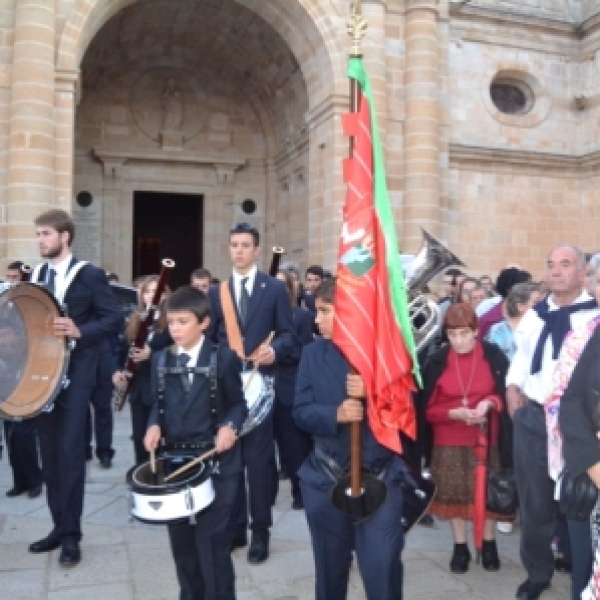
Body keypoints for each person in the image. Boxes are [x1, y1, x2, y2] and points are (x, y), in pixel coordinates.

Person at [293, 278, 407, 600]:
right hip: (325, 481)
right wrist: (335, 414)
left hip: (381, 480)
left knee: (383, 573)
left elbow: (406, 414)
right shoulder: (312, 355)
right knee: (330, 577)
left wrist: (372, 396)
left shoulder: (386, 355)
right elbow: (300, 412)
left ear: (348, 313)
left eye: (325, 311)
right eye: (317, 311)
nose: (317, 320)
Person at [28, 209, 122, 567]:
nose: (41, 240)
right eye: (38, 234)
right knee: (49, 456)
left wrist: (80, 330)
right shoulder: (35, 275)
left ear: (65, 236)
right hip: (41, 377)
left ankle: (72, 536)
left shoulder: (90, 275)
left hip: (77, 376)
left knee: (69, 456)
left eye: (46, 234)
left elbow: (114, 318)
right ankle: (58, 526)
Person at [506, 244, 599, 600]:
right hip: (533, 417)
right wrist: (513, 386)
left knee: (578, 500)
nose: (556, 271)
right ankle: (537, 572)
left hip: (575, 426)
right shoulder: (535, 314)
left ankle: (582, 571)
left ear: (583, 274)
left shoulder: (592, 318)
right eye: (550, 265)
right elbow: (522, 356)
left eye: (565, 265)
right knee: (534, 500)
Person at [144, 286, 247, 600]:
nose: (174, 328)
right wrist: (154, 424)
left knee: (212, 541)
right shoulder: (160, 359)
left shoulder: (224, 358)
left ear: (204, 323)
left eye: (182, 321)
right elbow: (157, 405)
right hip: (176, 464)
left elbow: (238, 405)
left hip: (216, 463)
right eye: (171, 321)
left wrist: (230, 426)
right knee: (182, 543)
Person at [207, 222, 293, 564]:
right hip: (229, 388)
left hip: (261, 386)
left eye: (245, 245)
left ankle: (261, 532)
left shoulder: (273, 288)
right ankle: (235, 527)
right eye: (234, 245)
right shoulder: (218, 292)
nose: (239, 251)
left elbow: (288, 335)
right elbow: (211, 337)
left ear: (257, 250)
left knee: (258, 463)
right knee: (229, 460)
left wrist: (275, 352)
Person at [420, 303, 511, 574]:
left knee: (489, 492)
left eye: (464, 334)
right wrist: (453, 413)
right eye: (452, 335)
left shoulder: (493, 356)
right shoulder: (436, 360)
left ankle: (489, 541)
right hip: (448, 440)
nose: (459, 341)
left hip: (486, 438)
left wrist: (489, 404)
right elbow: (426, 410)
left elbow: (505, 393)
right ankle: (460, 547)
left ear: (475, 331)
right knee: (455, 496)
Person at [113, 275, 173, 466]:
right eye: (146, 291)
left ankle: (162, 482)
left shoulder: (172, 320)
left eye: (155, 291)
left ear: (164, 296)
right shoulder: (134, 319)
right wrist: (117, 371)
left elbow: (175, 346)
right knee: (140, 438)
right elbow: (121, 349)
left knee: (161, 439)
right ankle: (142, 480)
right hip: (139, 388)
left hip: (163, 387)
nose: (150, 296)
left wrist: (152, 352)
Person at [274, 269, 314, 509]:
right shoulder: (264, 315)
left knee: (294, 447)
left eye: (282, 285)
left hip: (289, 385)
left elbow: (305, 352)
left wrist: (278, 352)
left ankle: (300, 493)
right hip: (267, 387)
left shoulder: (301, 316)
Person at [486, 282, 542, 362]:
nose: (542, 305)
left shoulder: (539, 328)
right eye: (536, 302)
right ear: (520, 306)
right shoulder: (498, 331)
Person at [477, 267, 532, 339]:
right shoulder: (487, 321)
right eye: (522, 289)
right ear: (509, 290)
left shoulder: (530, 316)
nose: (526, 293)